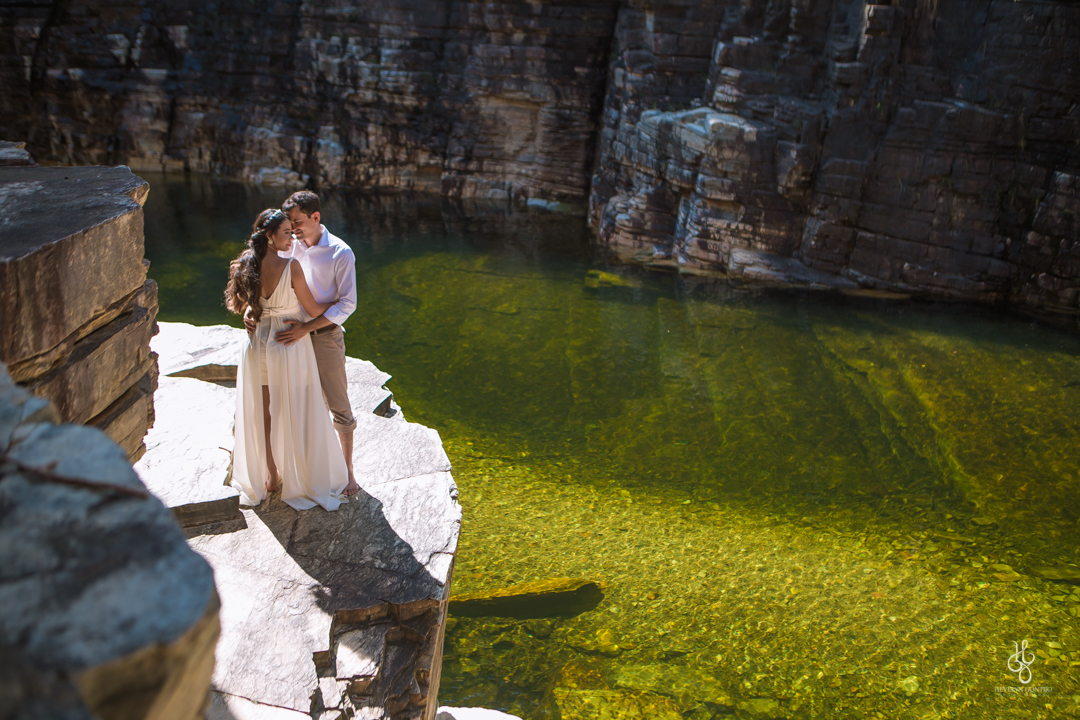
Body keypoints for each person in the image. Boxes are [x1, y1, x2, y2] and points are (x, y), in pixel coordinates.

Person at [225, 209, 350, 511]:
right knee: (299, 410)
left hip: (257, 345)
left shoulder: (246, 265)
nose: (291, 237)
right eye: (285, 233)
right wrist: (337, 302)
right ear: (269, 236)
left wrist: (250, 314)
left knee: (263, 414)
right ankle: (301, 477)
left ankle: (269, 476)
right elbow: (311, 308)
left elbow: (237, 304)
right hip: (288, 343)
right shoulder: (291, 266)